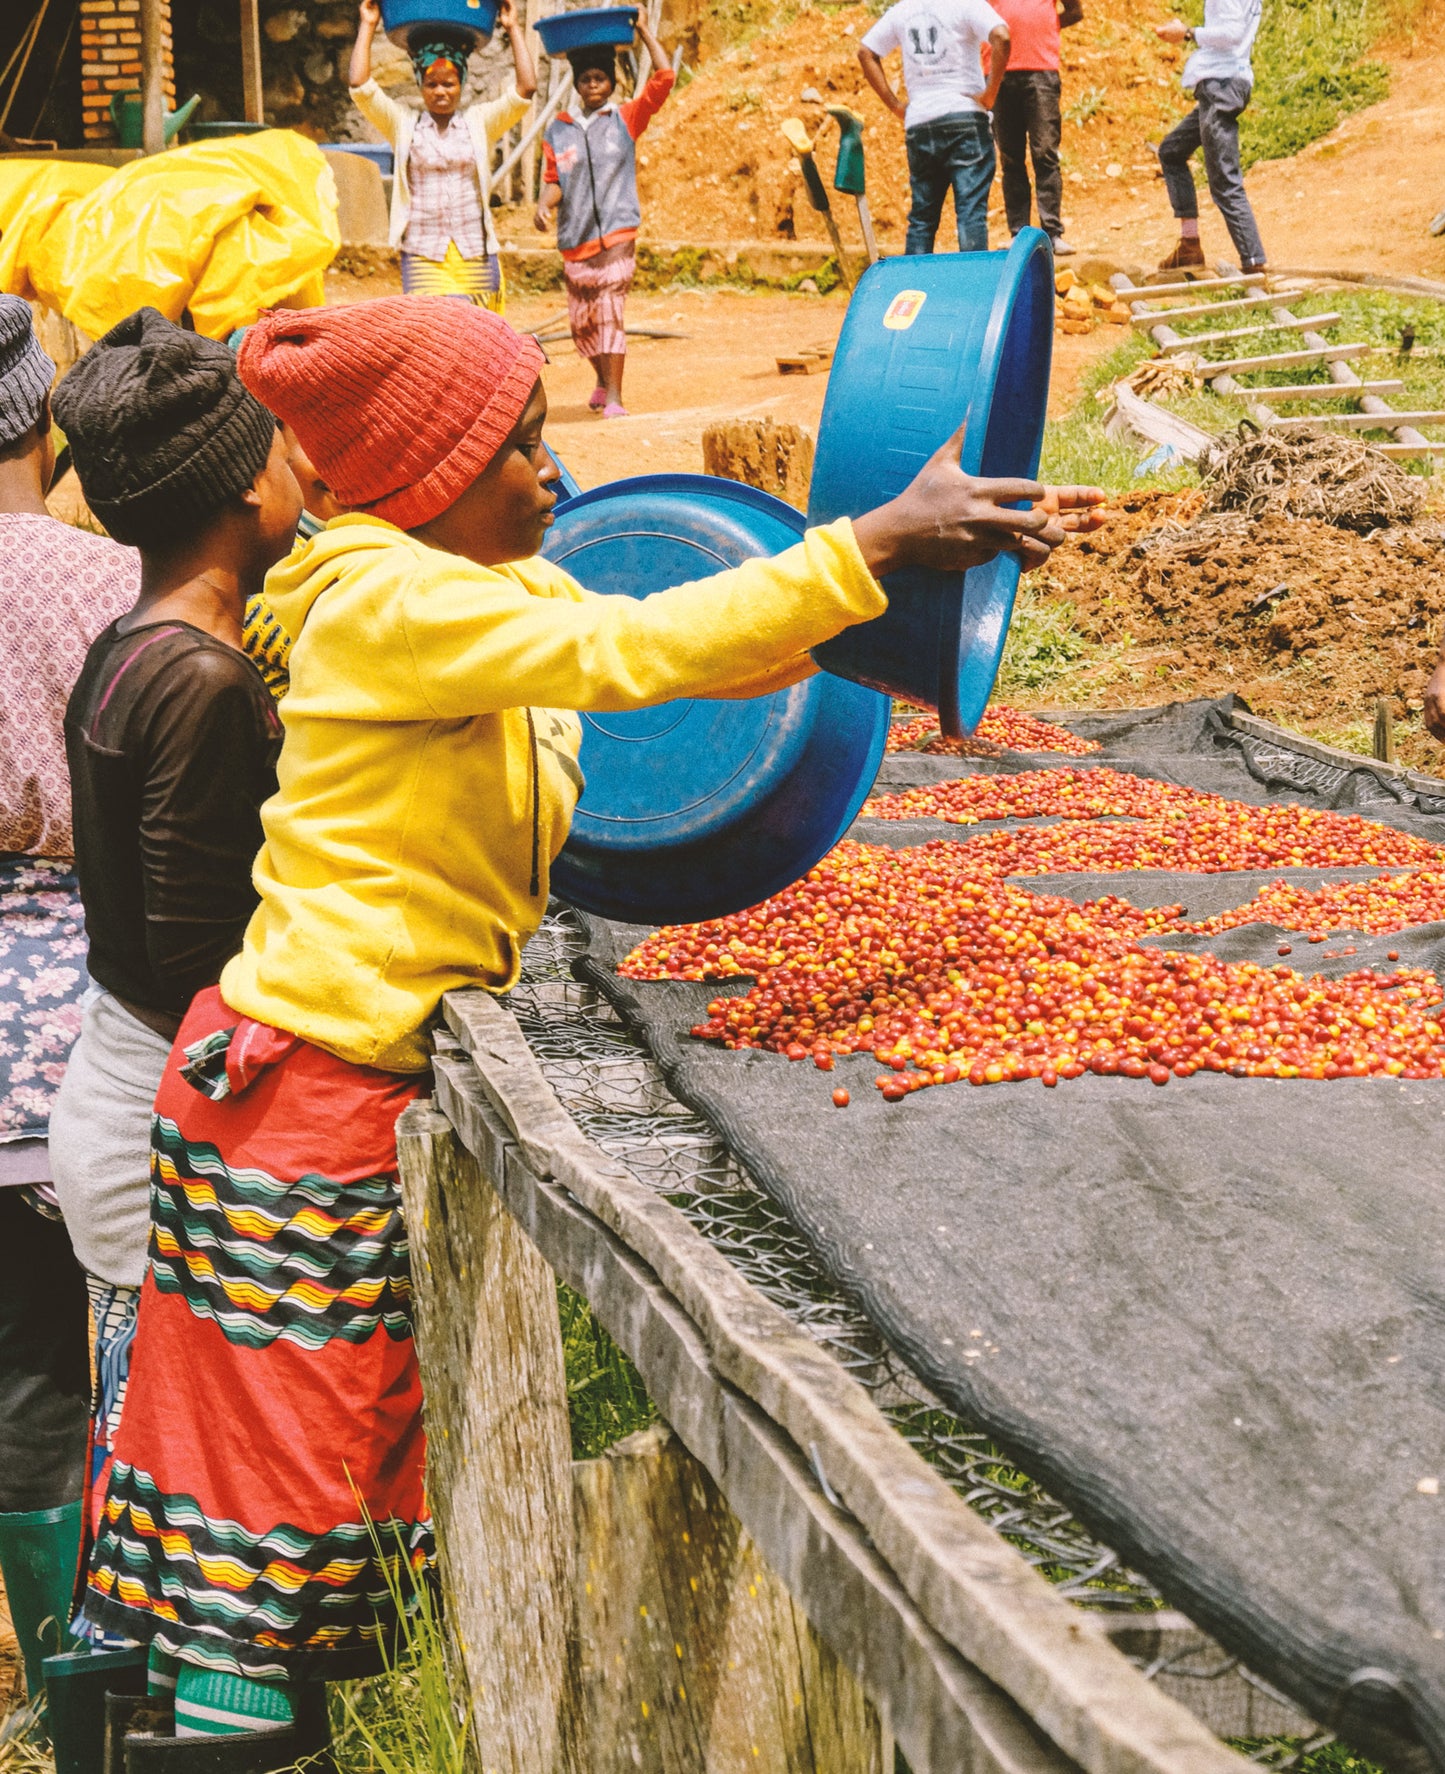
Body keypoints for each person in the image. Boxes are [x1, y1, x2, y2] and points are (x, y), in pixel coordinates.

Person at [74, 293, 1105, 1756]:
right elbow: (640, 654)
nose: (552, 477)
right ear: (428, 481)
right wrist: (869, 545)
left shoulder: (487, 594)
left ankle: (253, 1729)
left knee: (324, 1457)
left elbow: (692, 647)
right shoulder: (384, 602)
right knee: (276, 1483)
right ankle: (217, 1744)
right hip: (292, 1088)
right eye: (521, 448)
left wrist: (879, 619)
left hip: (338, 1078)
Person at [45, 311, 303, 1734]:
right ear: (233, 490)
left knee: (142, 1473)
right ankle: (179, 1735)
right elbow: (195, 945)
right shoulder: (203, 681)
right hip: (163, 1123)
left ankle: (134, 1722)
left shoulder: (136, 645)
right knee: (191, 1509)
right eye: (279, 446)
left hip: (118, 1093)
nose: (300, 465)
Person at [0, 295, 135, 1709]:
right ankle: (144, 1667)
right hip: (88, 1039)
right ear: (47, 423)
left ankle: (54, 1694)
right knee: (133, 1362)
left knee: (20, 1382)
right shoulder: (105, 584)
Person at [349, 0, 536, 312]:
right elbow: (360, 86)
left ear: (460, 84)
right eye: (431, 83)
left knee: (477, 340)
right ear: (421, 86)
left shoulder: (479, 123)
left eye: (449, 83)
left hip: (474, 253)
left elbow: (526, 90)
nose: (440, 91)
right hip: (423, 254)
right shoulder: (403, 125)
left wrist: (513, 27)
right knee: (433, 337)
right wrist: (368, 25)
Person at [533, 19, 674, 417]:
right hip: (575, 241)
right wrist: (544, 205)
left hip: (617, 234)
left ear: (611, 82)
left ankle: (615, 395)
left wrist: (645, 31)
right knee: (583, 324)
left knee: (610, 313)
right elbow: (553, 179)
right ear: (576, 85)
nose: (592, 85)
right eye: (585, 80)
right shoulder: (558, 131)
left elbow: (664, 78)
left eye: (600, 78)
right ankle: (600, 379)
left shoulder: (624, 119)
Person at [859, 0, 1010, 255]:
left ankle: (915, 289)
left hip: (920, 121)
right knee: (970, 214)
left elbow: (866, 52)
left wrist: (896, 105)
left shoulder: (903, 10)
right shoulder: (967, 5)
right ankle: (971, 291)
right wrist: (989, 95)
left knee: (922, 219)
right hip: (964, 118)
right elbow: (1002, 36)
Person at [1153, 0, 1266, 278]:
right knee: (1171, 151)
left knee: (1224, 181)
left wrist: (1188, 33)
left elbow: (1231, 33)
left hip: (1222, 85)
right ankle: (1189, 245)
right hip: (1225, 84)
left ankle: (1254, 263)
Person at [990, 0, 1083, 256]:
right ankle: (1018, 232)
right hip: (999, 71)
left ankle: (1052, 232)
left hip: (1041, 69)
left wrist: (1046, 27)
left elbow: (1075, 11)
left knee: (1045, 153)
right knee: (1010, 158)